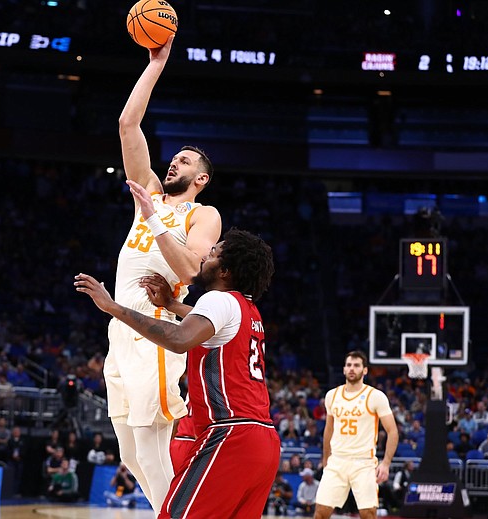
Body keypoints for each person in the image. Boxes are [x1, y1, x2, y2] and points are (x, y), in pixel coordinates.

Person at [76, 228, 278, 518]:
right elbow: (208, 324)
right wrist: (171, 305)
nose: (204, 256)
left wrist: (112, 307)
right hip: (264, 441)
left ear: (226, 271)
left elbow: (180, 339)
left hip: (230, 434)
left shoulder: (219, 300)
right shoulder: (249, 310)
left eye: (213, 254)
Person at [105, 33, 223, 515]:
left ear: (201, 178)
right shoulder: (148, 192)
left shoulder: (203, 213)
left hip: (155, 328)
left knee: (154, 446)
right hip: (119, 325)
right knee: (130, 453)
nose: (175, 158)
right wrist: (156, 63)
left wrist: (152, 217)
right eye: (176, 155)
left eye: (187, 160)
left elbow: (190, 269)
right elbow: (128, 123)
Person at [313, 351, 399, 519]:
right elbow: (328, 430)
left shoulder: (375, 396)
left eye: (357, 365)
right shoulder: (332, 395)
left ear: (365, 370)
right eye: (349, 365)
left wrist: (386, 463)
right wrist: (325, 460)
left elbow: (393, 431)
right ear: (344, 369)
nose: (352, 368)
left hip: (364, 462)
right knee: (321, 512)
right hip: (337, 461)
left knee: (368, 514)